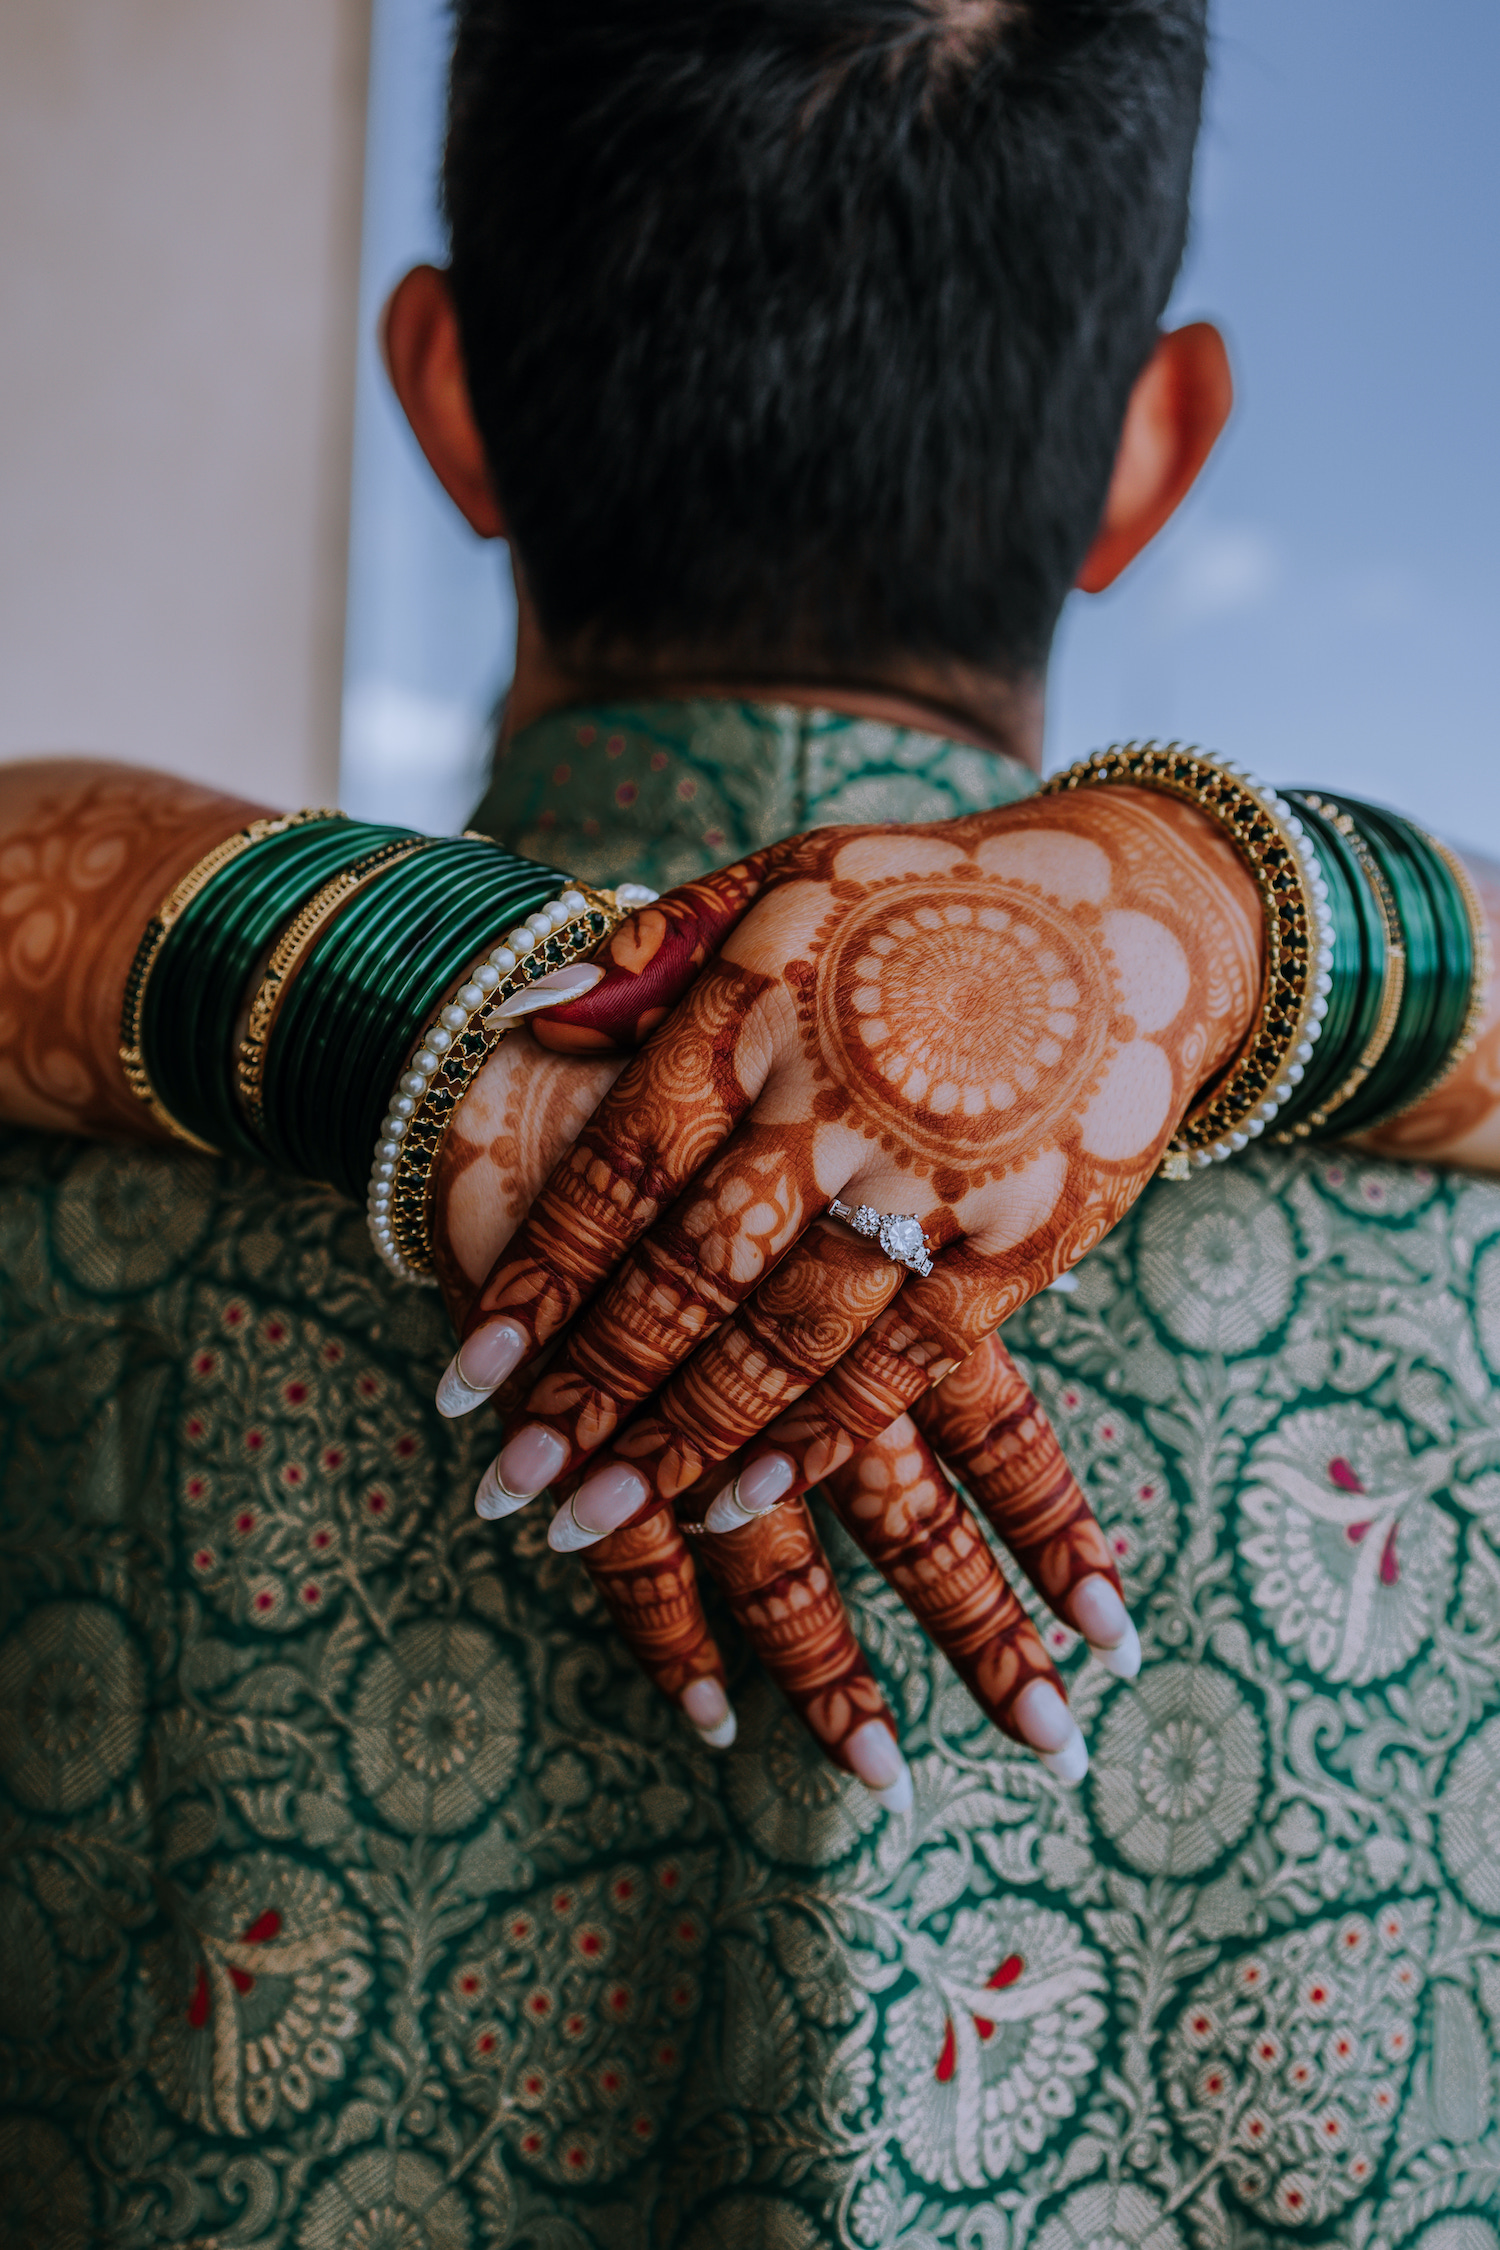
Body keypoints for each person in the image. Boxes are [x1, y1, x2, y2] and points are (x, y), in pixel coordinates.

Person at [4, 4, 1500, 2246]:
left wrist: (414, 1011)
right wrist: (1239, 912)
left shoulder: (59, 1202)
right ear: (1153, 453)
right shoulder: (1457, 1271)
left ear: (447, 393)